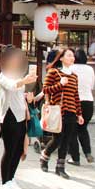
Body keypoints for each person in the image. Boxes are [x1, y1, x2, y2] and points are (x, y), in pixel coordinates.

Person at [0, 46, 37, 189]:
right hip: (9, 117)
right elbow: (12, 86)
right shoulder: (3, 75)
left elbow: (19, 90)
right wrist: (24, 81)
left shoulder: (18, 74)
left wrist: (28, 95)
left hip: (21, 116)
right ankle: (4, 182)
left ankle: (11, 178)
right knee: (9, 150)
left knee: (18, 150)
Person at [40, 48, 83, 179]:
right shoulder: (54, 72)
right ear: (61, 58)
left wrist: (79, 114)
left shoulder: (75, 76)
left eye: (73, 56)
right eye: (69, 56)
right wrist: (60, 84)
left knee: (66, 140)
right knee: (57, 139)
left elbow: (76, 96)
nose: (72, 58)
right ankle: (45, 156)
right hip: (58, 111)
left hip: (71, 112)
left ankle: (60, 167)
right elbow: (45, 89)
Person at [68, 53, 95, 166]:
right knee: (83, 129)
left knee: (72, 131)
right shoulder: (90, 69)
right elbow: (92, 86)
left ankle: (75, 158)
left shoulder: (71, 68)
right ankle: (88, 152)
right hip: (88, 101)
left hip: (74, 101)